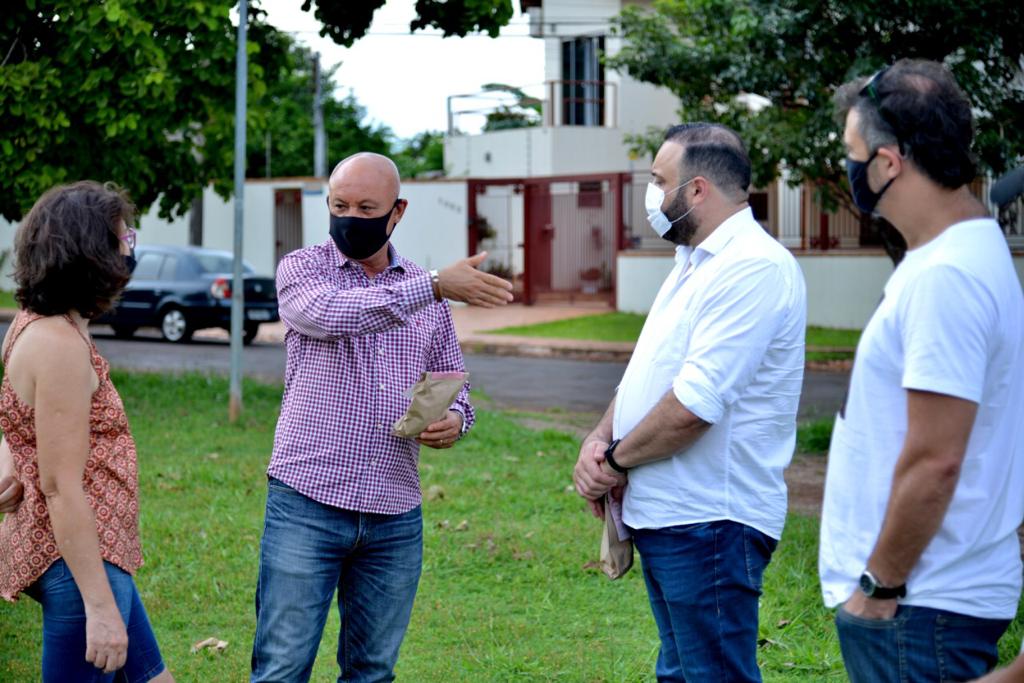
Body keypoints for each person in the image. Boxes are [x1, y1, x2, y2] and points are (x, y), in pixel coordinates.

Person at [250, 152, 513, 682]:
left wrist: (455, 419)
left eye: (366, 207)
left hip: (394, 512)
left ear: (397, 212)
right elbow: (330, 315)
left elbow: (452, 381)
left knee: (372, 671)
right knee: (282, 668)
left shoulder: (426, 293)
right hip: (307, 503)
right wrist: (435, 285)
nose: (350, 218)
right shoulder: (303, 269)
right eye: (339, 205)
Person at [573, 123, 807, 682]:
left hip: (711, 522)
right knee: (680, 672)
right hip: (673, 516)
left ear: (697, 190)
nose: (652, 196)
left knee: (713, 675)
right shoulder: (694, 262)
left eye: (659, 181)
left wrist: (613, 462)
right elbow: (646, 376)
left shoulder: (752, 267)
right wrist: (599, 439)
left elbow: (693, 407)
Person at [818, 59, 1024, 682]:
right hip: (925, 607)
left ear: (887, 162)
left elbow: (937, 459)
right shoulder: (959, 251)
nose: (847, 170)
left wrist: (878, 587)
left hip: (916, 610)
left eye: (852, 154)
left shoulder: (946, 278)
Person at [0, 181, 174, 682]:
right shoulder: (57, 345)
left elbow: (18, 418)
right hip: (80, 561)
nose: (129, 250)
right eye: (124, 239)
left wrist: (10, 460)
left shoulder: (48, 322)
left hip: (99, 549)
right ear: (91, 252)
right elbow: (60, 487)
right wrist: (99, 609)